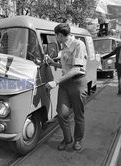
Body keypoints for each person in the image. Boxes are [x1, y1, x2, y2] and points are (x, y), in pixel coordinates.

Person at [45, 23, 88, 151]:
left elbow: (76, 69)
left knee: (78, 115)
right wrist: (53, 63)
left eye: (55, 35)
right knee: (62, 113)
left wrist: (56, 82)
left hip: (77, 83)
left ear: (59, 35)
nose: (55, 38)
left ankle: (78, 140)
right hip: (65, 84)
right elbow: (66, 68)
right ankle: (67, 138)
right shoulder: (63, 47)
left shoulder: (78, 45)